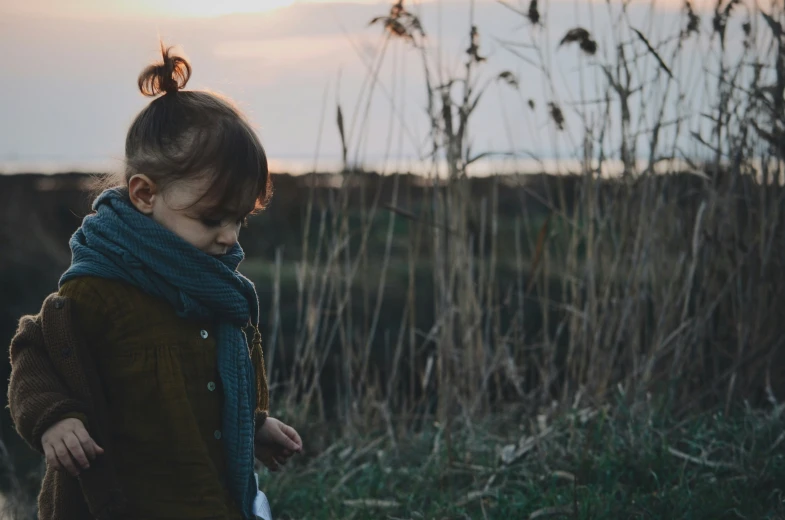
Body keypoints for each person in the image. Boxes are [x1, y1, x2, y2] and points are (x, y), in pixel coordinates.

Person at [7, 44, 301, 520]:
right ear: (145, 194)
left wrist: (252, 424)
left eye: (240, 219)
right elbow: (34, 351)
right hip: (124, 502)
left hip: (205, 498)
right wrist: (54, 418)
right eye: (212, 219)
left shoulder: (210, 289)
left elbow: (206, 384)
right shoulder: (101, 288)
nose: (229, 237)